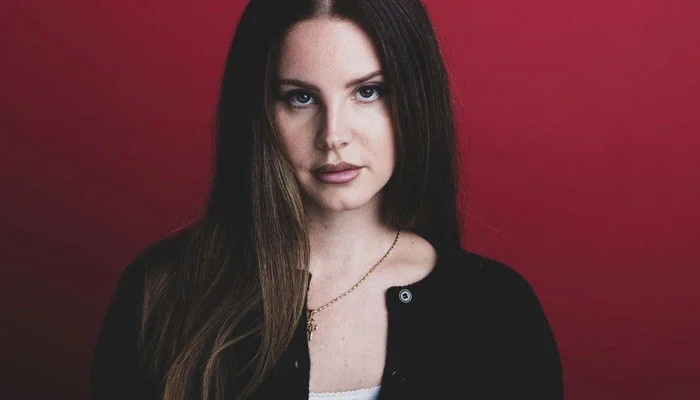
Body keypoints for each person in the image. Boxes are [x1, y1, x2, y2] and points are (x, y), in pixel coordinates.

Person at [89, 0, 564, 399]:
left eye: (368, 92)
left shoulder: (498, 311)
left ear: (415, 100)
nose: (333, 135)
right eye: (301, 98)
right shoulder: (163, 293)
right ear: (259, 112)